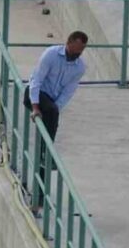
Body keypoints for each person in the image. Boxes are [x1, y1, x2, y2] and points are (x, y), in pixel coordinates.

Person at [24, 31, 88, 211]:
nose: (75, 55)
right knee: (51, 112)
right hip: (34, 95)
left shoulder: (79, 68)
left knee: (51, 116)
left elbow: (68, 92)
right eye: (74, 50)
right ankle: (47, 152)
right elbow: (36, 81)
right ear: (67, 43)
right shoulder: (51, 54)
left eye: (80, 51)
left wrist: (55, 108)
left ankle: (40, 197)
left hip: (51, 104)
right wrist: (36, 108)